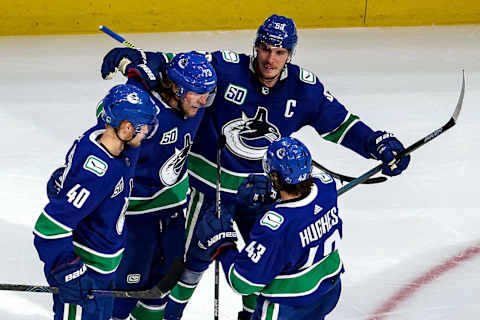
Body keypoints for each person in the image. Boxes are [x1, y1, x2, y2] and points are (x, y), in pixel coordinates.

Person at [100, 14, 410, 319]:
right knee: (187, 264)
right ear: (255, 46)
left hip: (262, 190)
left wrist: (375, 143)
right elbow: (179, 65)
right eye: (265, 48)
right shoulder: (225, 67)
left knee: (262, 263)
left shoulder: (304, 89)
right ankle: (171, 315)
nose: (270, 59)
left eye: (279, 52)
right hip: (209, 191)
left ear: (290, 54)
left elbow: (341, 123)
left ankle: (254, 314)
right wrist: (139, 58)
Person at [49, 51, 217, 320]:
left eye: (207, 92)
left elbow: (167, 59)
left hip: (173, 211)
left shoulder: (192, 102)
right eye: (198, 92)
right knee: (124, 295)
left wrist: (140, 56)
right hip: (136, 216)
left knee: (162, 286)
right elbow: (107, 129)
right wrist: (73, 178)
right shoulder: (142, 110)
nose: (204, 100)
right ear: (176, 87)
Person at [33, 84, 159, 320]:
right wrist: (69, 271)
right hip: (85, 271)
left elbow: (108, 106)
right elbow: (48, 229)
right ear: (127, 127)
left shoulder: (113, 139)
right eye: (144, 128)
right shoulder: (97, 173)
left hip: (102, 269)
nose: (147, 134)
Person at [191, 137, 342, 320]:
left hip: (290, 304)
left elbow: (242, 282)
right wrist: (273, 194)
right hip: (329, 290)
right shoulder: (327, 186)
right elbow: (302, 205)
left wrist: (223, 244)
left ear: (276, 178)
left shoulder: (276, 227)